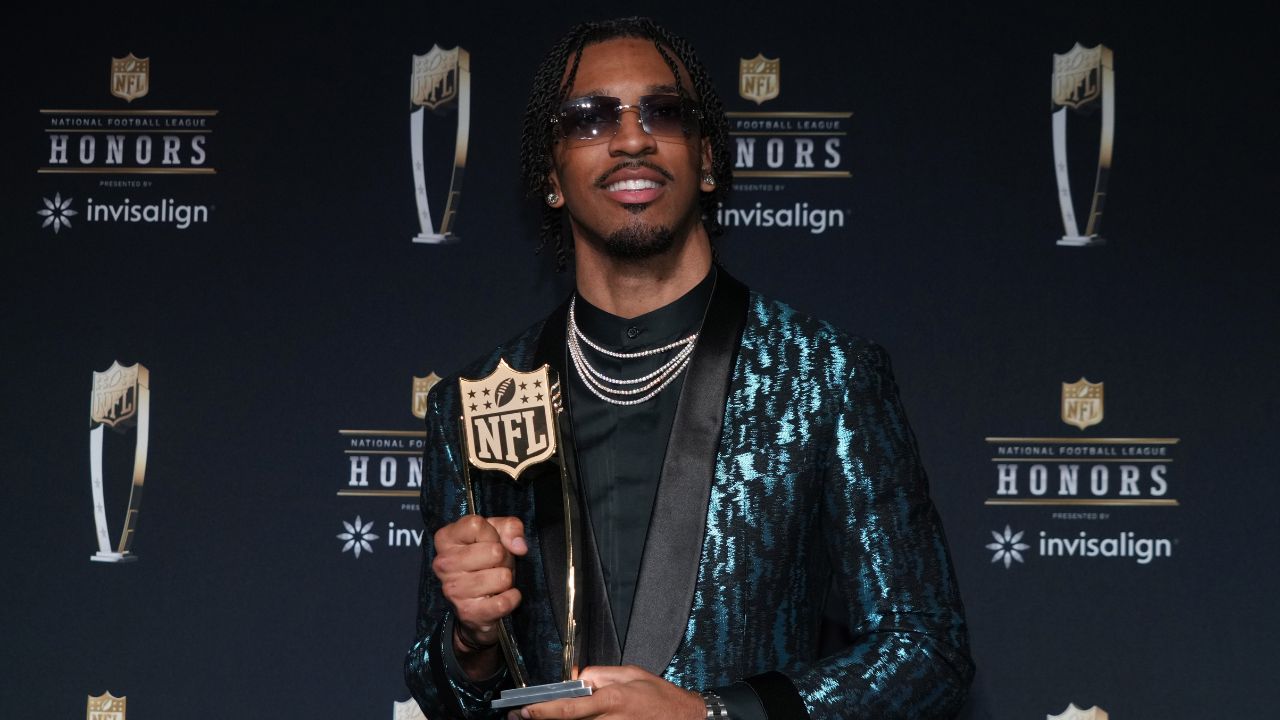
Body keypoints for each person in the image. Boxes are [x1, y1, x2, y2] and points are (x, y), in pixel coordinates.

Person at [406, 17, 973, 720]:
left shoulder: (825, 374)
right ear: (550, 175)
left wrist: (713, 714)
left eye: (664, 112)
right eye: (590, 118)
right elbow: (441, 692)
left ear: (707, 159)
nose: (631, 139)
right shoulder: (473, 402)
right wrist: (471, 642)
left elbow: (928, 652)